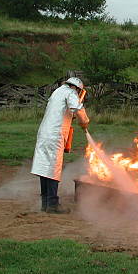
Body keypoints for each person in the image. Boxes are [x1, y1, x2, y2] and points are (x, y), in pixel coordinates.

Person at [31, 77, 89, 213]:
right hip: (55, 135)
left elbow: (61, 111)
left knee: (44, 168)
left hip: (44, 133)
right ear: (77, 88)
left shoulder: (57, 92)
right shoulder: (70, 93)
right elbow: (77, 108)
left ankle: (45, 203)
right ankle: (52, 205)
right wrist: (85, 121)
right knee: (53, 169)